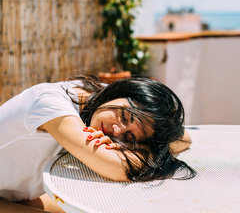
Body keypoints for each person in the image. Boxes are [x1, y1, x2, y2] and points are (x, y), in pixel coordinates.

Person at [0, 76, 195, 213]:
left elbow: (184, 137)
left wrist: (138, 147)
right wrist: (147, 152)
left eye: (129, 138)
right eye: (125, 117)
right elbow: (120, 169)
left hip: (15, 195)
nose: (117, 131)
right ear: (121, 92)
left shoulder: (102, 100)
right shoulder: (50, 104)